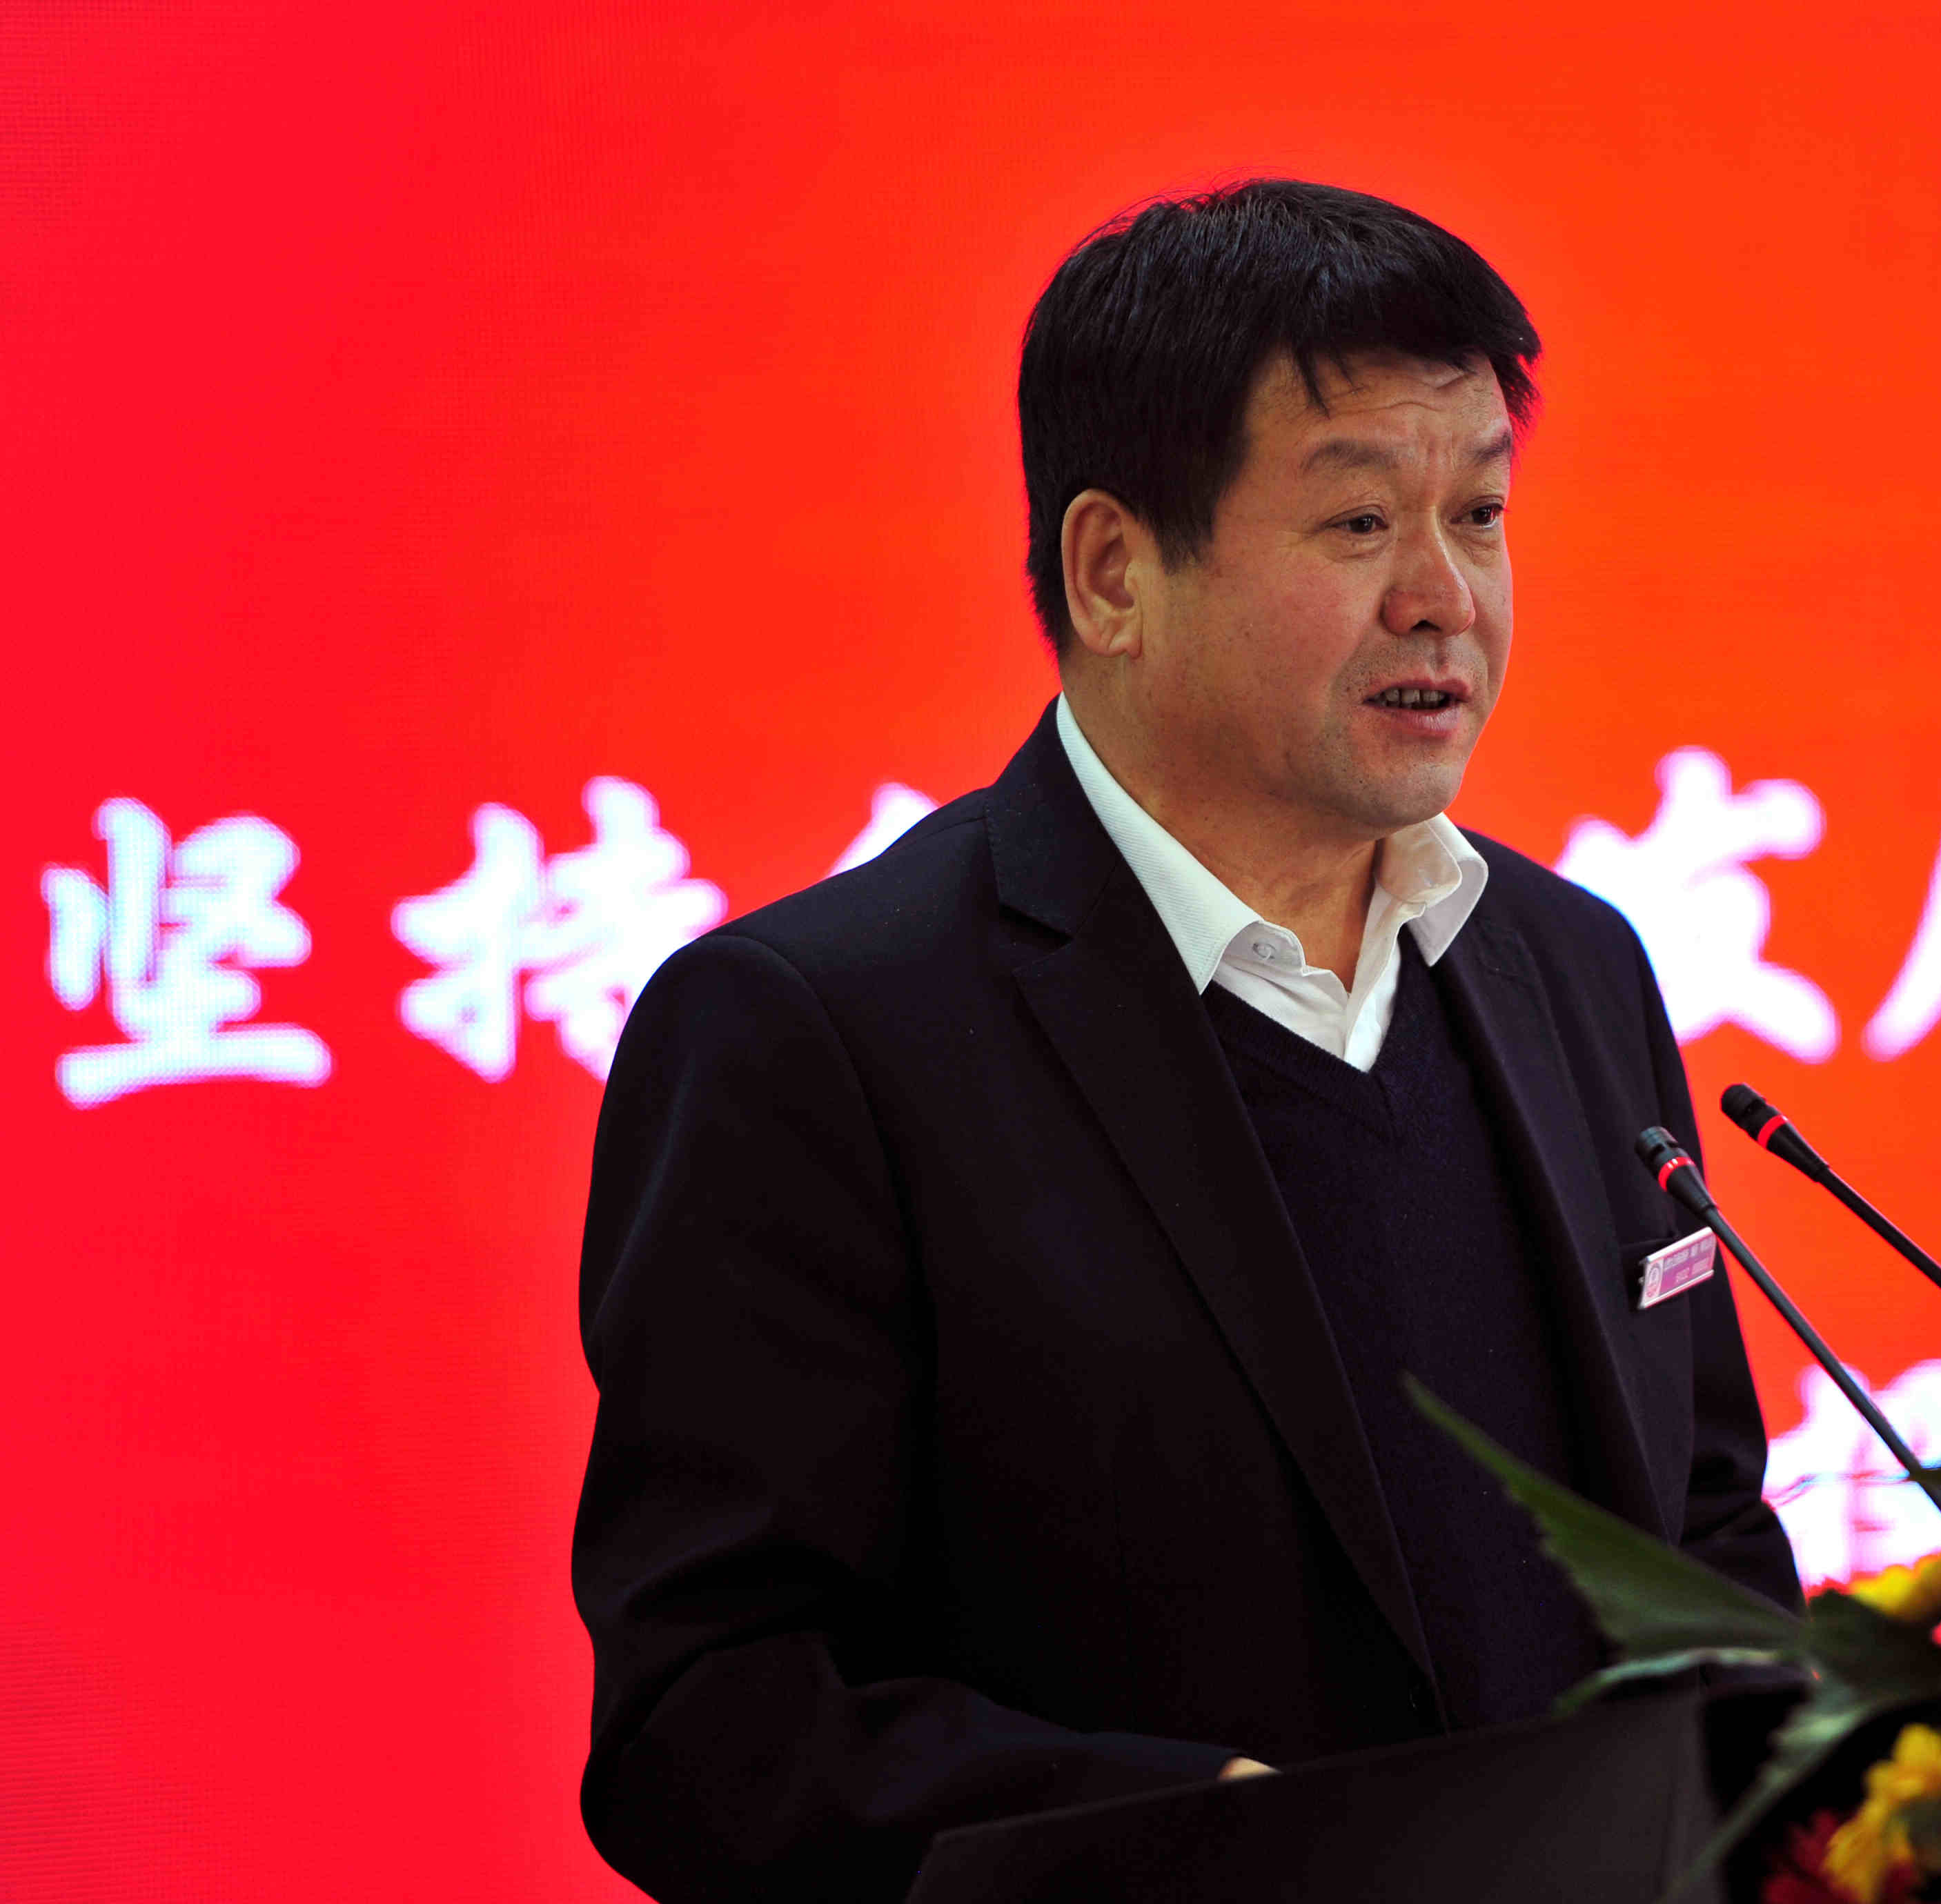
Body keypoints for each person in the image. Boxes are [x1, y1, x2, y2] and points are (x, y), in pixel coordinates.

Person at [570, 178, 1801, 1902]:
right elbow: (712, 1720)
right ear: (1113, 573)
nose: (1444, 598)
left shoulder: (1568, 968)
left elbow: (1704, 1528)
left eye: (1478, 514)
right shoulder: (818, 1034)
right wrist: (1197, 1843)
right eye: (1357, 523)